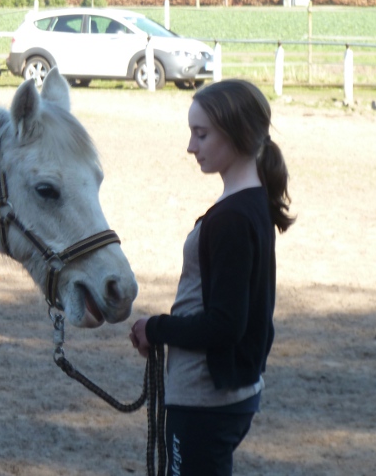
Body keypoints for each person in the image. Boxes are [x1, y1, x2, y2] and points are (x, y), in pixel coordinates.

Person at [129, 79, 294, 476]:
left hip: (206, 398)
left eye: (201, 134)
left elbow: (225, 324)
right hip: (221, 395)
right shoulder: (249, 203)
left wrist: (155, 328)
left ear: (237, 134)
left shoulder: (233, 218)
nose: (191, 146)